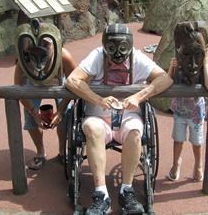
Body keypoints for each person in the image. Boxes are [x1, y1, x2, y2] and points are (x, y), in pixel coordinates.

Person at [66, 24, 173, 214]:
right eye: (111, 48)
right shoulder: (97, 56)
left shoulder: (137, 58)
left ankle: (126, 190)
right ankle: (101, 195)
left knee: (134, 131)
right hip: (98, 117)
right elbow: (73, 80)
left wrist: (138, 96)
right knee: (91, 127)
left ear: (130, 45)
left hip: (128, 117)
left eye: (122, 48)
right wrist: (98, 100)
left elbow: (165, 79)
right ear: (104, 45)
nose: (117, 54)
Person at [14, 12, 77, 170]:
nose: (39, 54)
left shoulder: (63, 56)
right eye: (32, 50)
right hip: (32, 83)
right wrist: (34, 112)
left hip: (58, 82)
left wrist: (61, 111)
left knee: (66, 114)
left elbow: (75, 83)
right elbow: (18, 87)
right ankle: (40, 152)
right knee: (29, 118)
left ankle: (62, 151)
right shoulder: (23, 60)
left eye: (45, 47)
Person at [166, 22, 208, 183]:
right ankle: (176, 163)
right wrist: (171, 68)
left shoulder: (202, 69)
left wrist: (206, 63)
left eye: (198, 56)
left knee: (197, 142)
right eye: (187, 55)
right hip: (180, 111)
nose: (193, 63)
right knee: (178, 140)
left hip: (196, 114)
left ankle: (198, 165)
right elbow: (168, 82)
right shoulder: (179, 68)